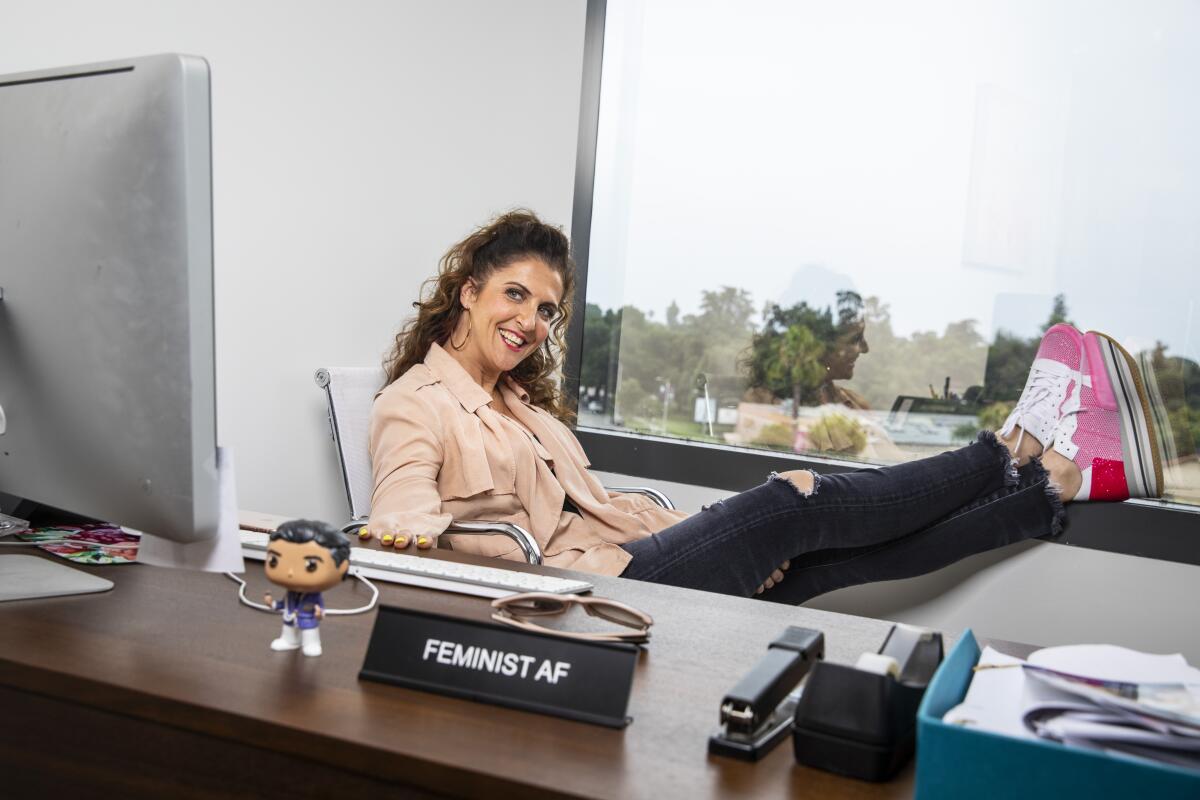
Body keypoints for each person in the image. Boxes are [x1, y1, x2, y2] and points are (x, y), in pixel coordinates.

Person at [367, 210, 1164, 604]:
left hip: (629, 562)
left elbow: (597, 513)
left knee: (830, 559)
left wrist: (710, 542)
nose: (531, 323)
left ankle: (1053, 485)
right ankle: (1015, 447)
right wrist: (403, 524)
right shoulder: (415, 404)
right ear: (468, 293)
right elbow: (402, 498)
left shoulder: (520, 407)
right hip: (582, 600)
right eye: (515, 296)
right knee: (797, 498)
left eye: (546, 310)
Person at [263, 519, 351, 656]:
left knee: (310, 636)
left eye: (311, 566)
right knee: (289, 633)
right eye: (274, 561)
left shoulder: (313, 596)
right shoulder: (290, 594)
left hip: (308, 621)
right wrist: (272, 603)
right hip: (290, 619)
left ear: (342, 567)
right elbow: (283, 603)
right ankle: (290, 641)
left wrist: (319, 613)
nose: (290, 573)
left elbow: (319, 607)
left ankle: (312, 644)